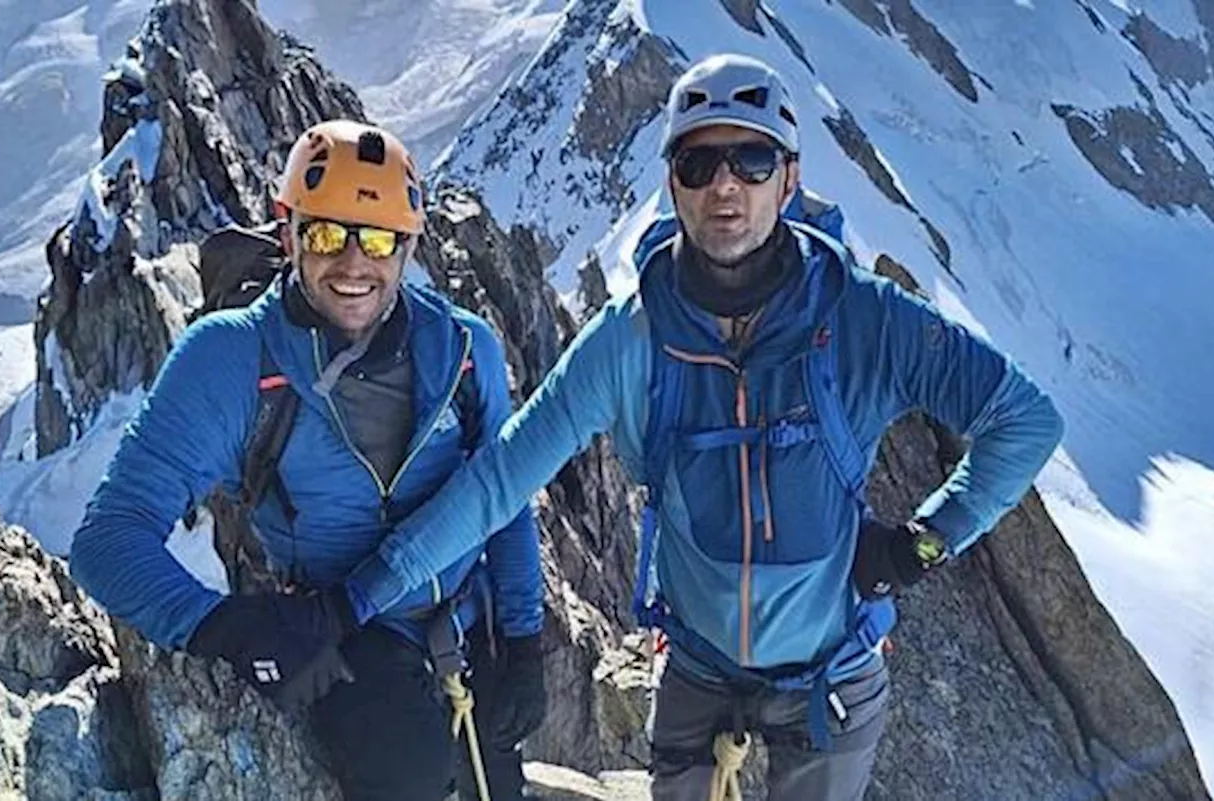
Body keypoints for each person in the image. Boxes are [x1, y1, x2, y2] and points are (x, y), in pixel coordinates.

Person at [346, 53, 1064, 799]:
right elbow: (499, 480)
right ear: (673, 186)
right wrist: (356, 599)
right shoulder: (631, 338)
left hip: (830, 673)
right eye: (699, 163)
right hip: (695, 666)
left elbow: (1025, 419)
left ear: (789, 179)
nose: (725, 184)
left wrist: (920, 543)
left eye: (752, 159)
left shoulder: (864, 318)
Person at [68, 119, 547, 801]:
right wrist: (231, 629)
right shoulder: (231, 359)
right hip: (337, 637)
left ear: (408, 249)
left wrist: (524, 642)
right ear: (288, 232)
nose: (354, 263)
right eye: (327, 234)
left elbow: (505, 498)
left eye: (379, 238)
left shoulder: (465, 351)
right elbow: (106, 540)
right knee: (407, 770)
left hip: (472, 634)